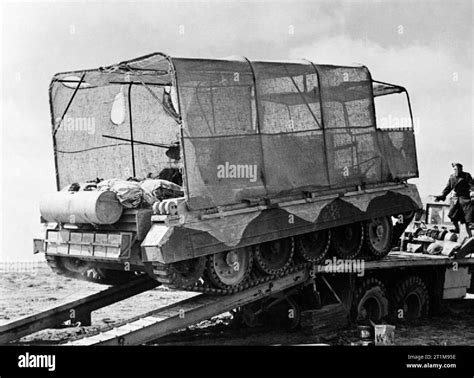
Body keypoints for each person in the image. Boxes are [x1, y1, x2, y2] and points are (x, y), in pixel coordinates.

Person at [435, 163, 473, 237]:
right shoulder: (452, 177)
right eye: (455, 169)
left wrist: (472, 193)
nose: (457, 171)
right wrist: (442, 196)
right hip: (456, 199)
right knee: (452, 215)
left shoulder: (466, 175)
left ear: (461, 169)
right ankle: (456, 228)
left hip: (465, 199)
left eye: (458, 169)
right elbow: (448, 188)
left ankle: (470, 236)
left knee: (468, 219)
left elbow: (471, 185)